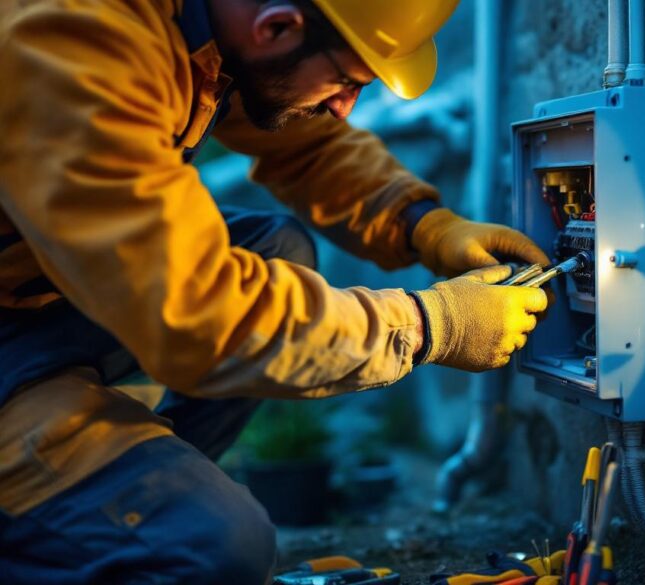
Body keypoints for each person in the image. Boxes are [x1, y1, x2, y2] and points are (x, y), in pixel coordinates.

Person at [0, 0, 549, 582]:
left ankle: (133, 505)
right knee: (220, 548)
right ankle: (106, 530)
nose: (344, 107)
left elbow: (308, 143)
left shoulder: (199, 25)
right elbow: (204, 315)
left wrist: (424, 225)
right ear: (278, 26)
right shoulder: (77, 49)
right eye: (346, 81)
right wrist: (429, 326)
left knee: (278, 248)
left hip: (44, 290)